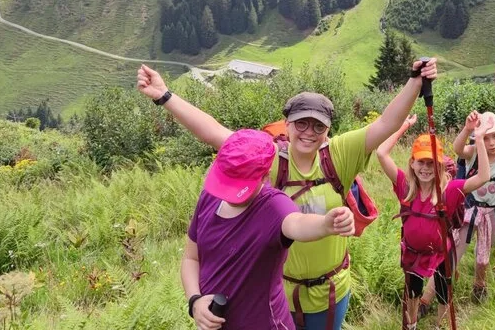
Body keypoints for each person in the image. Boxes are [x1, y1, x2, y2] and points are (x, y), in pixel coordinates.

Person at [137, 58, 438, 330]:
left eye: (317, 125)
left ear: (328, 128)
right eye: (301, 123)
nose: (308, 131)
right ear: (288, 124)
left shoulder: (339, 155)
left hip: (329, 290)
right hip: (279, 293)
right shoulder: (268, 158)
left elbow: (387, 123)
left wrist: (415, 81)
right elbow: (214, 133)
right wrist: (165, 96)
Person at [184, 129, 355, 330]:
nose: (229, 194)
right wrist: (195, 301)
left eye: (239, 185)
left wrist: (325, 224)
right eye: (228, 181)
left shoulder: (274, 207)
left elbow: (297, 224)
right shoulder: (209, 198)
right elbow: (191, 258)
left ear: (265, 176)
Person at [376, 115, 489, 330]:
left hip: (441, 254)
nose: (425, 168)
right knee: (412, 294)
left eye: (432, 163)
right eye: (421, 162)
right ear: (412, 162)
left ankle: (440, 326)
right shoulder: (404, 185)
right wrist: (405, 125)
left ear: (440, 166)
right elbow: (381, 152)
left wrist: (480, 139)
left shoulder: (450, 190)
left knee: (444, 295)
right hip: (412, 253)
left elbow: (483, 177)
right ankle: (411, 325)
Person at [451, 111, 495, 302]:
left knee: (484, 256)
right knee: (457, 248)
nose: (491, 143)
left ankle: (479, 289)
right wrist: (468, 129)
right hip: (470, 209)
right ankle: (439, 288)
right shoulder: (474, 152)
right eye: (486, 137)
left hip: (493, 212)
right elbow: (457, 149)